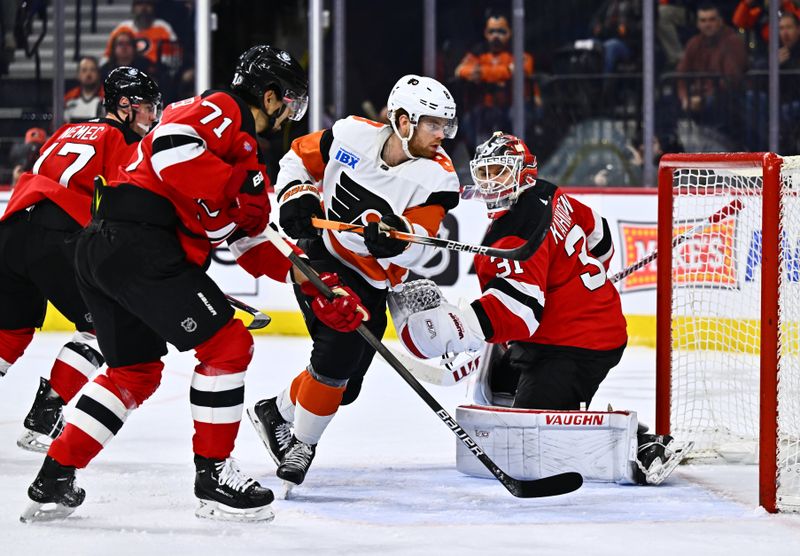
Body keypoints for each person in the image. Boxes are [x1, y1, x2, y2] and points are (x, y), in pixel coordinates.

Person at [20, 45, 366, 524]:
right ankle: (214, 474)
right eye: (289, 101)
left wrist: (312, 281)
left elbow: (245, 241)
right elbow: (171, 152)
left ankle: (55, 474)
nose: (290, 113)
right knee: (228, 348)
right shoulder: (223, 109)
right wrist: (233, 187)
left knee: (133, 373)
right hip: (141, 245)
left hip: (105, 247)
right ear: (268, 96)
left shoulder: (244, 158)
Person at [395, 132, 685, 485]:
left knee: (531, 445)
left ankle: (640, 446)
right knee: (501, 393)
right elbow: (602, 239)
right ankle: (575, 412)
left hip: (576, 344)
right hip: (577, 328)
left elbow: (521, 313)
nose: (489, 183)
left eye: (499, 172)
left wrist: (455, 328)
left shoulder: (514, 234)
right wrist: (576, 283)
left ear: (524, 173)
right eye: (484, 173)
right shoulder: (549, 193)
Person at [247, 74, 461, 490]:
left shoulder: (439, 178)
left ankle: (276, 410)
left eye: (445, 125)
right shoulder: (348, 134)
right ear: (403, 121)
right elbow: (295, 159)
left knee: (345, 387)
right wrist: (295, 195)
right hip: (323, 255)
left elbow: (422, 245)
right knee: (339, 347)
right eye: (433, 124)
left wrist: (395, 241)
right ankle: (302, 445)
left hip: (374, 280)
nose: (442, 134)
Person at [1, 67, 160, 456]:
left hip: (11, 231)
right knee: (100, 328)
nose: (152, 117)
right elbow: (124, 205)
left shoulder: (66, 130)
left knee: (7, 334)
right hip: (59, 236)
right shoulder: (125, 142)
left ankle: (46, 412)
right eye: (145, 108)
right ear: (123, 106)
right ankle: (47, 413)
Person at [453, 13, 539, 152]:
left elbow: (523, 69)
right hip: (486, 110)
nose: (496, 36)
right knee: (469, 122)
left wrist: (483, 73)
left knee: (517, 119)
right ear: (486, 33)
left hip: (513, 109)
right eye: (492, 31)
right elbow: (460, 70)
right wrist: (505, 72)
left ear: (510, 33)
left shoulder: (519, 54)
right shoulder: (478, 54)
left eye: (501, 31)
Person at [675, 3, 747, 132]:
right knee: (665, 103)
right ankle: (664, 146)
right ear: (698, 24)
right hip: (697, 96)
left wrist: (701, 99)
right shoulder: (694, 43)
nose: (707, 24)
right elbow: (681, 74)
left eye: (711, 20)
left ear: (720, 21)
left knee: (713, 103)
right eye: (703, 20)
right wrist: (685, 98)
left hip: (726, 99)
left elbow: (731, 80)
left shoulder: (732, 41)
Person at [104, 0, 178, 67]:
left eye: (148, 4)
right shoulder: (122, 28)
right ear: (133, 8)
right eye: (139, 4)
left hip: (155, 73)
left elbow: (173, 57)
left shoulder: (163, 28)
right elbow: (107, 57)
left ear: (154, 8)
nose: (144, 8)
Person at [64, 56, 105, 123]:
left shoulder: (106, 96)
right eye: (84, 70)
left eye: (92, 70)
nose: (88, 74)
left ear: (98, 74)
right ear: (78, 75)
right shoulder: (69, 98)